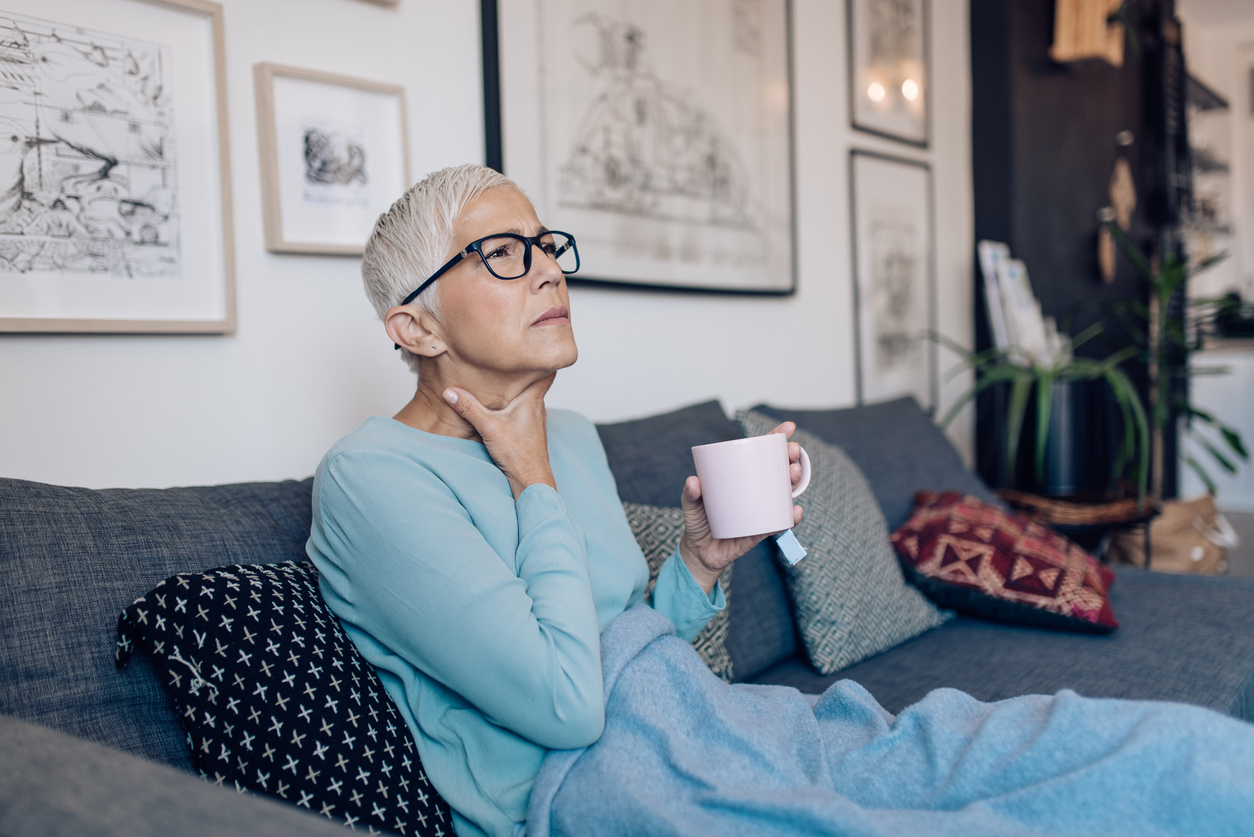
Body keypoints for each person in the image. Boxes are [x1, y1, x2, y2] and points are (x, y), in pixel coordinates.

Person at [306, 163, 803, 837]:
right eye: (503, 254)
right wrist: (531, 478)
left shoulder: (567, 433)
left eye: (546, 246)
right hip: (574, 801)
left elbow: (626, 661)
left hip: (691, 737)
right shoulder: (371, 479)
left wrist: (700, 561)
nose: (548, 271)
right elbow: (569, 707)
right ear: (418, 329)